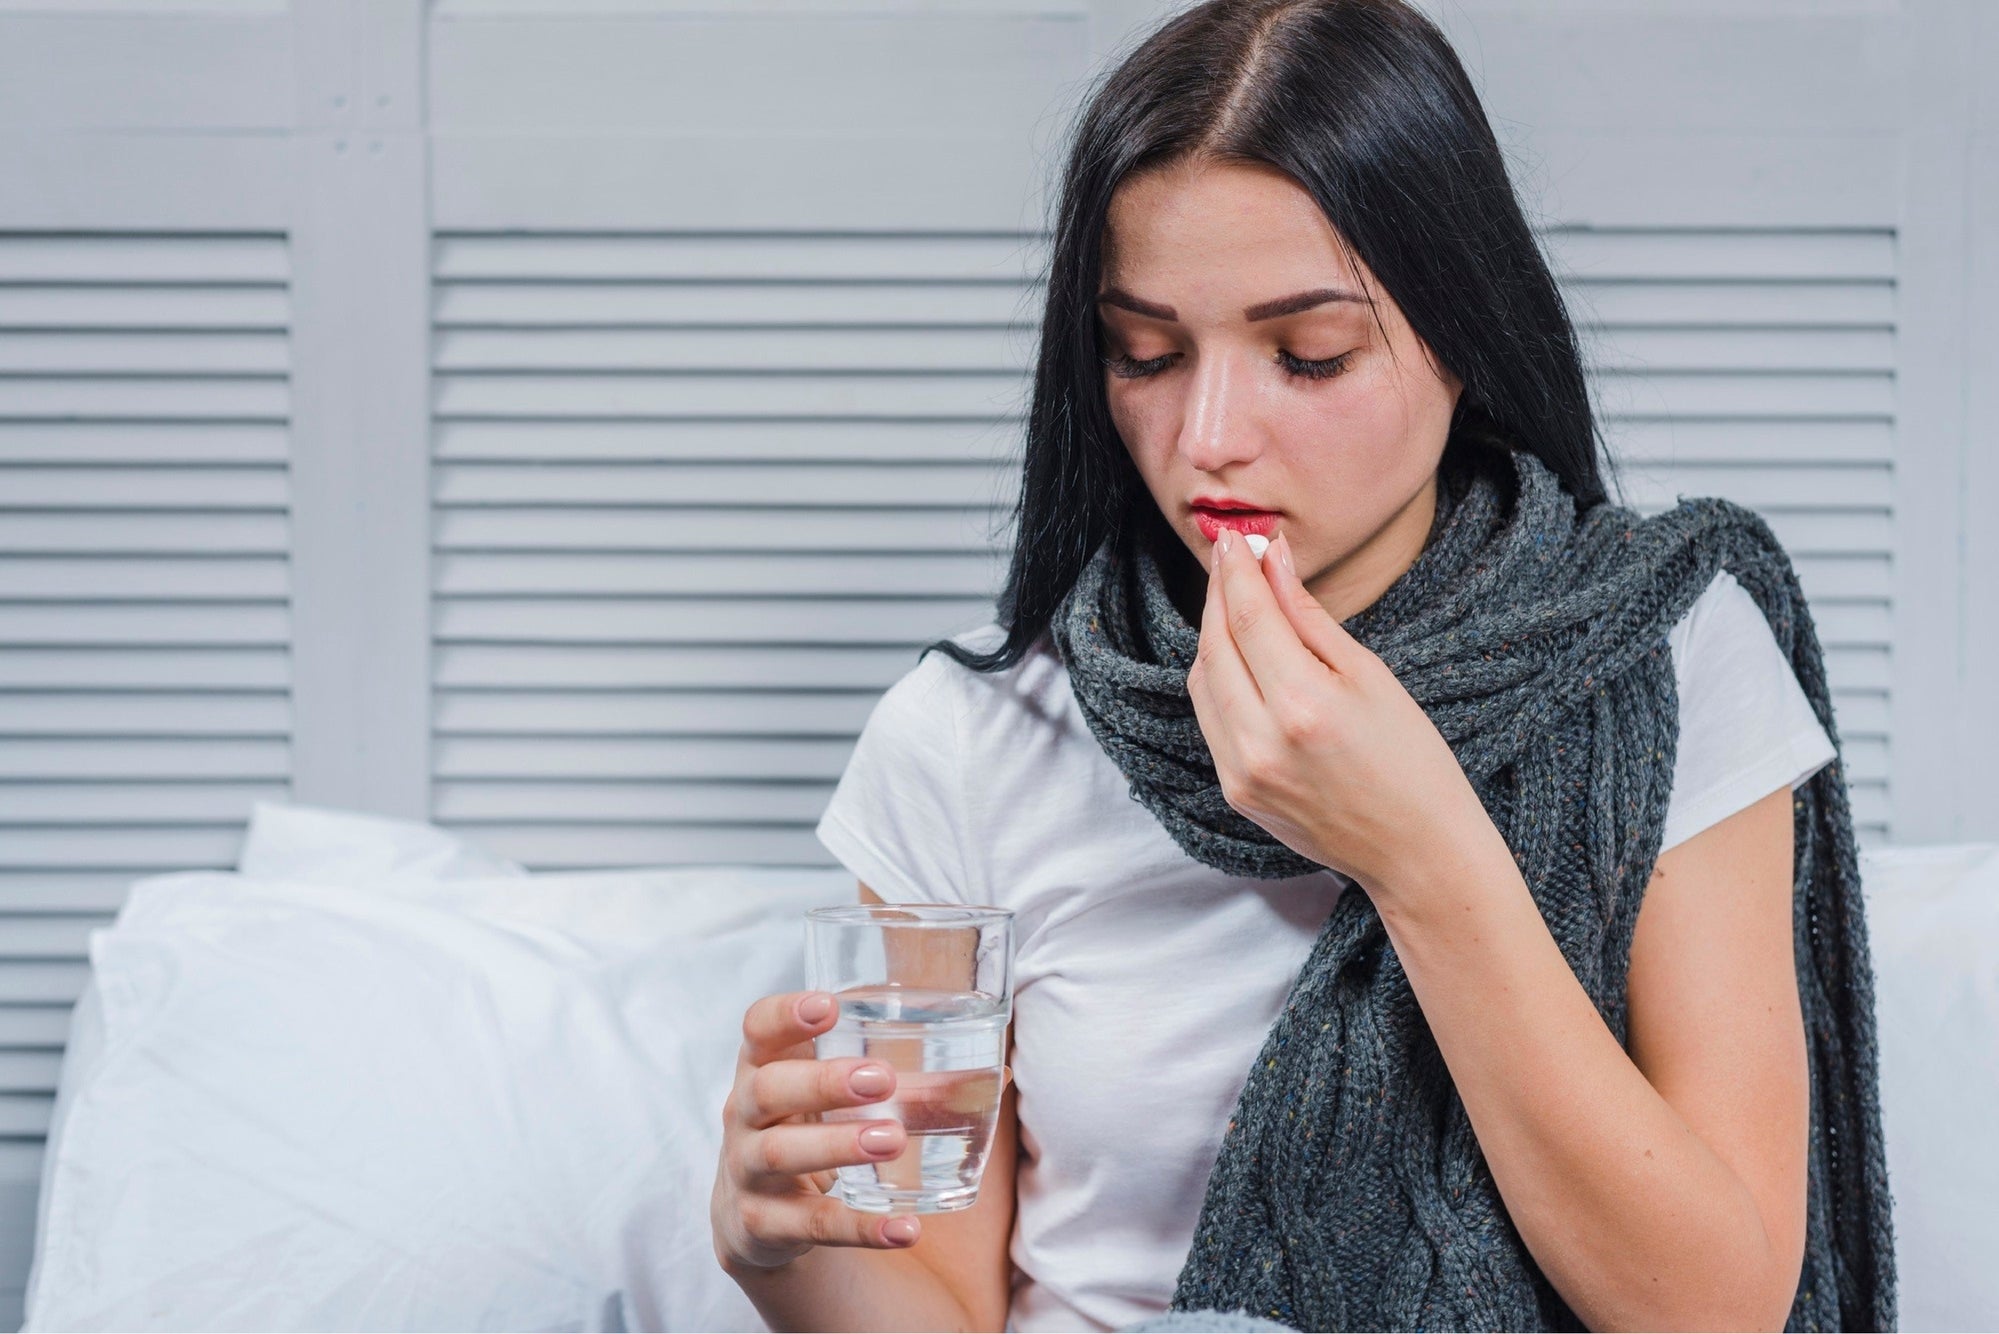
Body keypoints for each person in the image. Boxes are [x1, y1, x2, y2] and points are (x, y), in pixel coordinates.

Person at [709, 1, 1896, 1330]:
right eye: (1145, 352)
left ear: (1462, 333)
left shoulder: (1666, 652)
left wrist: (1421, 849)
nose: (1207, 435)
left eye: (1308, 354)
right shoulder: (970, 739)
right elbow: (937, 1293)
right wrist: (788, 1247)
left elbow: (1714, 1308)